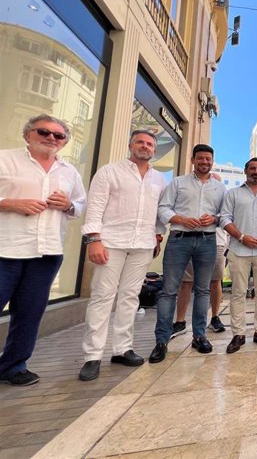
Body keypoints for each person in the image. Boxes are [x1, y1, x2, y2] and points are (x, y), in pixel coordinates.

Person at [0, 114, 86, 386]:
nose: (51, 138)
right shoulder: (5, 159)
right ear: (28, 135)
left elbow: (82, 205)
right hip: (6, 248)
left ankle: (13, 366)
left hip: (47, 252)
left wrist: (68, 204)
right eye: (44, 132)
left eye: (58, 136)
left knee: (30, 311)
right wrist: (10, 203)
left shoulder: (69, 171)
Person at [78, 130, 166, 381]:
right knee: (102, 296)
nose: (145, 147)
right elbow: (94, 207)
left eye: (150, 144)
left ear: (154, 150)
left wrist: (158, 236)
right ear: (130, 145)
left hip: (142, 244)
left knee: (130, 297)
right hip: (111, 243)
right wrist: (93, 238)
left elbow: (159, 213)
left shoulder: (159, 179)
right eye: (140, 142)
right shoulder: (109, 171)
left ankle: (122, 348)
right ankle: (92, 355)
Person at [149, 144, 225, 363]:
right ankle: (161, 340)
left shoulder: (219, 188)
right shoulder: (178, 183)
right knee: (169, 290)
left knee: (202, 290)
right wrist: (181, 219)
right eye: (200, 158)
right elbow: (163, 208)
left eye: (208, 159)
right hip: (179, 240)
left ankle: (199, 336)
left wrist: (215, 219)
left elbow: (225, 214)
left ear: (212, 161)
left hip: (207, 241)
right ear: (193, 160)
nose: (204, 162)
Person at [221, 158, 257, 353]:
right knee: (238, 293)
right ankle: (238, 334)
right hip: (239, 250)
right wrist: (241, 236)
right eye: (252, 168)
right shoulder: (233, 194)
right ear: (246, 171)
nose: (256, 172)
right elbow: (224, 218)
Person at [170, 225, 229, 339]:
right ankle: (180, 321)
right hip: (190, 238)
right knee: (187, 281)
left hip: (217, 240)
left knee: (215, 280)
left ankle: (215, 317)